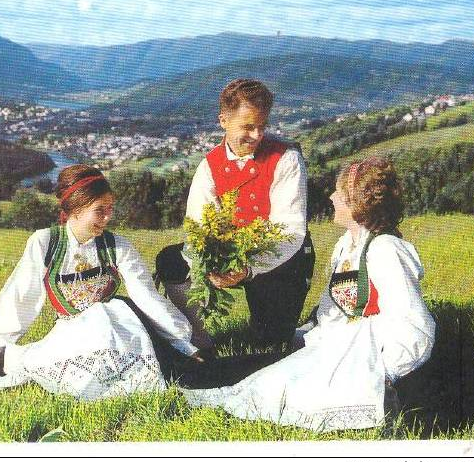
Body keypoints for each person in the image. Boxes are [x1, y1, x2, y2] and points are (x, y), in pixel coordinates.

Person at [181, 157, 436, 432]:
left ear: (358, 202)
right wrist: (303, 336)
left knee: (279, 394)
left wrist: (384, 375)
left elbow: (415, 326)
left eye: (340, 193)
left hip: (370, 356)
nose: (332, 197)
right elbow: (331, 309)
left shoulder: (386, 249)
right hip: (341, 347)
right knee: (262, 381)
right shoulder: (346, 246)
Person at [0, 164, 202, 400]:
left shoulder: (118, 246)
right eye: (100, 210)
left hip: (116, 325)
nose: (107, 217)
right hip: (72, 331)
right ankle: (5, 361)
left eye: (110, 209)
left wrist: (181, 340)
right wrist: (1, 343)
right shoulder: (45, 242)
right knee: (61, 369)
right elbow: (22, 295)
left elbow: (146, 297)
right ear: (76, 209)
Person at [156, 79, 313, 348]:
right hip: (228, 256)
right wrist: (209, 264)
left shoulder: (287, 160)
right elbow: (198, 225)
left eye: (262, 127)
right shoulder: (209, 166)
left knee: (270, 346)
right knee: (171, 260)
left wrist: (248, 268)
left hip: (280, 260)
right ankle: (199, 340)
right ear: (223, 121)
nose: (257, 135)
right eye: (247, 127)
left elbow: (291, 231)